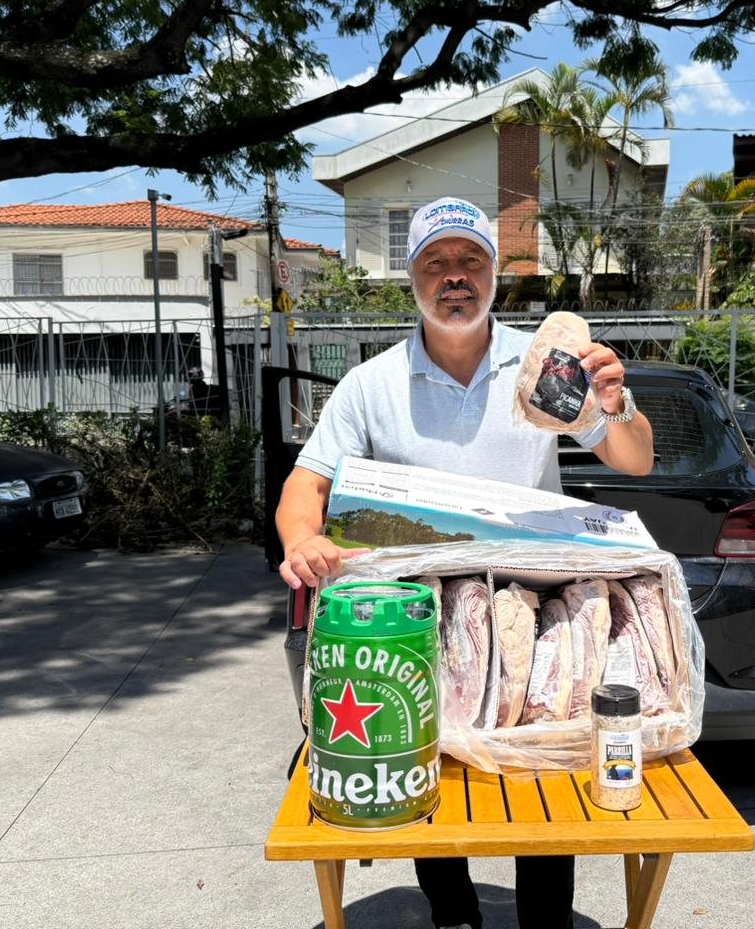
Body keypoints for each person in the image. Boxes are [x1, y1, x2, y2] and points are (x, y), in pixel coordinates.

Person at [275, 196, 654, 929]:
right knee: (433, 761)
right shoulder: (369, 385)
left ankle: (546, 920)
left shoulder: (550, 367)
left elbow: (634, 460)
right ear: (412, 278)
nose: (455, 277)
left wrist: (613, 405)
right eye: (436, 263)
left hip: (535, 605)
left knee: (539, 760)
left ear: (493, 276)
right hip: (420, 616)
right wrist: (301, 540)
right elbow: (306, 484)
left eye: (470, 260)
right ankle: (452, 914)